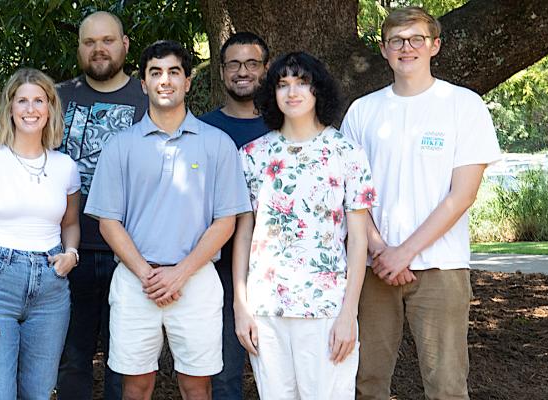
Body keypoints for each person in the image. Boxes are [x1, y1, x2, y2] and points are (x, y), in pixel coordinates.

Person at [342, 7, 501, 400]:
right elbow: (349, 193)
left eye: (416, 39)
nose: (406, 47)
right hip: (372, 268)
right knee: (366, 383)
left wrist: (405, 253)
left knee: (446, 385)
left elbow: (462, 194)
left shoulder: (463, 105)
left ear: (435, 46)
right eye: (396, 40)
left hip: (441, 267)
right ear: (383, 50)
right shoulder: (363, 111)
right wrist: (381, 250)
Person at [85, 40, 250, 400]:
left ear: (188, 81)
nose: (165, 81)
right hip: (134, 281)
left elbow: (226, 222)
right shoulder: (120, 145)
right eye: (155, 73)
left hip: (196, 278)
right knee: (136, 384)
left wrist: (180, 273)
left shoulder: (217, 144)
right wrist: (148, 275)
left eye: (174, 72)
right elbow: (108, 222)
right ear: (143, 83)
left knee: (196, 384)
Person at [234, 51, 376, 399]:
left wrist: (349, 314)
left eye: (302, 82)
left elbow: (358, 241)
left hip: (327, 308)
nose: (292, 92)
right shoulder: (252, 154)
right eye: (282, 84)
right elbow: (244, 233)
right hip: (266, 307)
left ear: (318, 90)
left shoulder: (347, 152)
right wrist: (241, 305)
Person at [0, 68, 81, 400]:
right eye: (22, 101)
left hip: (51, 289)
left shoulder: (65, 167)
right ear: (10, 108)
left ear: (50, 108)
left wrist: (71, 254)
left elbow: (70, 223)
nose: (30, 109)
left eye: (38, 101)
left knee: (38, 393)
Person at [55, 11, 148, 400]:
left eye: (107, 40)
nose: (98, 49)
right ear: (79, 48)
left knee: (122, 359)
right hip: (66, 249)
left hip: (126, 251)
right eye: (89, 42)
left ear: (125, 45)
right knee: (71, 357)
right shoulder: (56, 97)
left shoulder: (148, 99)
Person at [197, 31, 271, 400]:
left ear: (266, 69)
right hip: (218, 268)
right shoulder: (201, 131)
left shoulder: (285, 127)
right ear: (222, 71)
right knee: (224, 373)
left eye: (252, 63)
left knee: (280, 372)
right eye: (234, 64)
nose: (243, 72)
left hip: (280, 268)